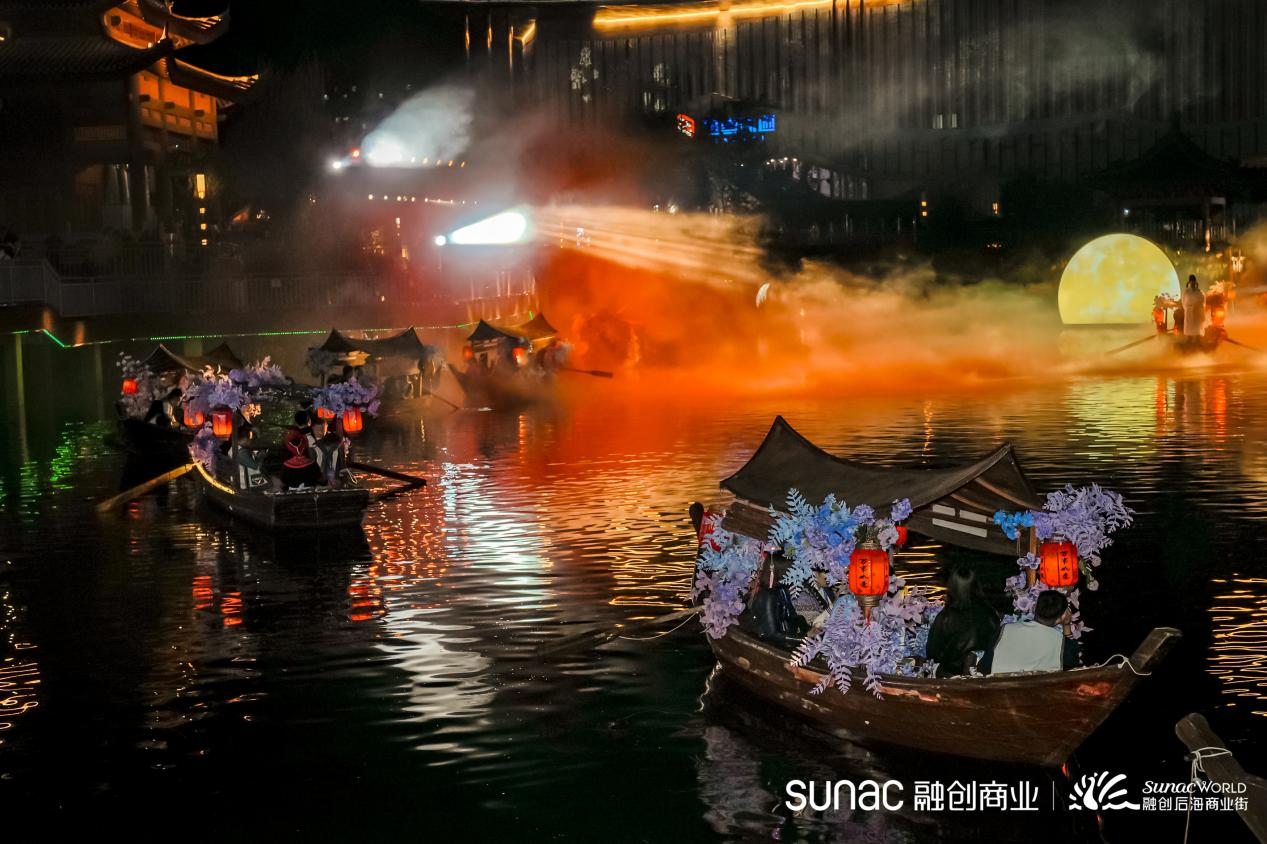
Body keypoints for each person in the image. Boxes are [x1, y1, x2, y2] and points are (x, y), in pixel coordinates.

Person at [925, 565, 1000, 677]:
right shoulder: (991, 613)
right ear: (976, 585)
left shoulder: (946, 617)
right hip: (985, 671)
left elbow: (932, 654)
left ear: (952, 587)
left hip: (953, 674)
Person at [985, 590, 1080, 674]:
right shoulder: (1061, 642)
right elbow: (1071, 666)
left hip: (1000, 686)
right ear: (1063, 616)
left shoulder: (1005, 630)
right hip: (1040, 687)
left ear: (1034, 608)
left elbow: (984, 666)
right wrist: (1066, 625)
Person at [1181, 274, 1206, 349]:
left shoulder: (1200, 292)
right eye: (1191, 282)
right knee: (1189, 327)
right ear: (1189, 282)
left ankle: (1198, 340)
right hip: (1189, 312)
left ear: (1195, 282)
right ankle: (1189, 340)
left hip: (1197, 312)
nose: (1192, 283)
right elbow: (1183, 302)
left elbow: (1203, 302)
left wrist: (1198, 309)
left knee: (1197, 327)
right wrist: (1188, 309)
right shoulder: (1186, 292)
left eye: (1193, 282)